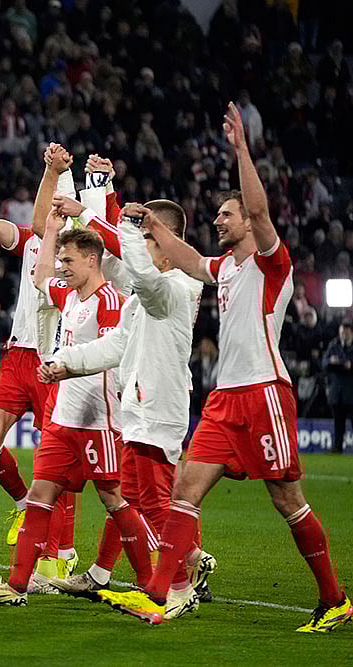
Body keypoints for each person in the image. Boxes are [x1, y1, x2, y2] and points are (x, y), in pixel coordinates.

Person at [97, 103, 352, 633]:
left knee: (288, 501)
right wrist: (148, 224)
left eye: (226, 214)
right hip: (224, 400)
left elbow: (259, 212)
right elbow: (189, 259)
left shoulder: (270, 262)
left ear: (247, 223)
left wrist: (240, 149)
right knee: (184, 492)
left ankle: (334, 598)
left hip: (264, 393)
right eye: (217, 214)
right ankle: (161, 595)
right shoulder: (226, 268)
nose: (218, 220)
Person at [0, 208, 154, 607]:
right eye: (61, 260)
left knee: (114, 499)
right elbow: (39, 278)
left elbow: (111, 354)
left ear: (92, 259)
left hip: (98, 418)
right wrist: (51, 229)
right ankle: (16, 586)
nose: (62, 267)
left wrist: (66, 365)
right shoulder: (67, 295)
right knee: (39, 495)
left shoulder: (112, 302)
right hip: (61, 416)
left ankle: (150, 587)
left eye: (69, 261)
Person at [39, 199, 209, 619]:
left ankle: (177, 587)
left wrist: (128, 227)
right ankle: (162, 575)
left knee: (156, 503)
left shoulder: (176, 288)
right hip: (137, 409)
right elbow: (117, 344)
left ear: (167, 248)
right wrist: (66, 362)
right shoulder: (144, 297)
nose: (140, 248)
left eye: (149, 240)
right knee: (133, 498)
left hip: (157, 409)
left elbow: (144, 278)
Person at [0, 144, 80, 590]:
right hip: (18, 356)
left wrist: (54, 171)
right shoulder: (33, 241)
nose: (51, 209)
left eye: (59, 203)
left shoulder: (81, 257)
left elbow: (42, 221)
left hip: (56, 360)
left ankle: (60, 555)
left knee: (53, 465)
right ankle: (22, 502)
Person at [323, 322, 353, 454]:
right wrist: (332, 362)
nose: (343, 335)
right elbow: (324, 363)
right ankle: (337, 446)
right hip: (337, 391)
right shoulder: (333, 345)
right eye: (342, 332)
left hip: (351, 391)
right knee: (338, 421)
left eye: (346, 332)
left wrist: (350, 365)